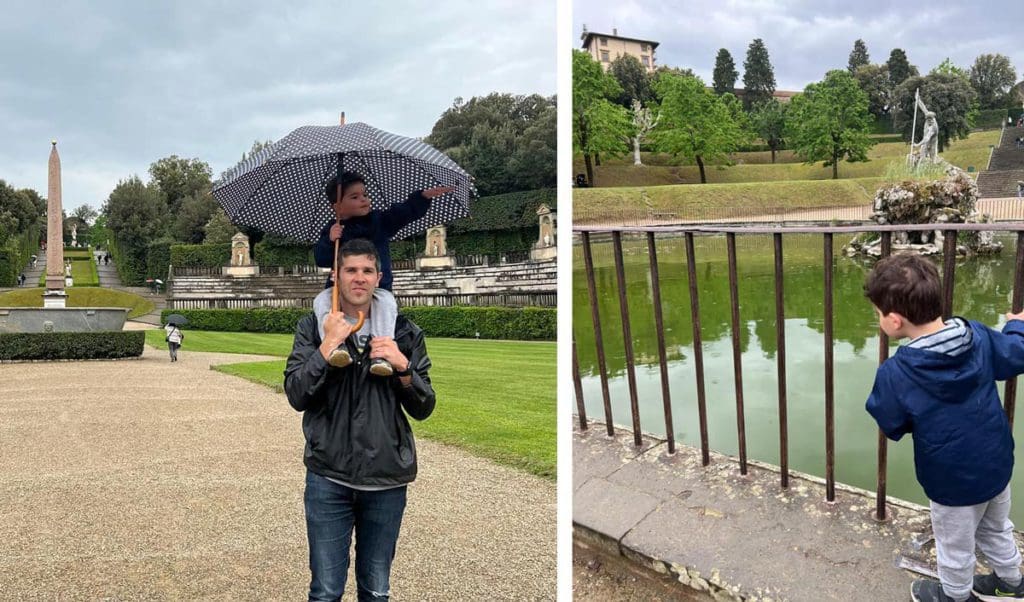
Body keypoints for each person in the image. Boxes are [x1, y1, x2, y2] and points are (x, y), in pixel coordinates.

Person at [863, 254, 1024, 602]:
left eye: (877, 314)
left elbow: (891, 422)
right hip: (996, 465)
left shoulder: (897, 373)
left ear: (893, 321)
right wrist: (1017, 325)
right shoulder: (978, 336)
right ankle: (1011, 584)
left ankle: (954, 596)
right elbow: (1016, 353)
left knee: (955, 547)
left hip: (951, 482)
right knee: (997, 528)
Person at [285, 238, 436, 601]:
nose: (359, 278)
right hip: (328, 474)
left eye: (367, 270)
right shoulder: (312, 328)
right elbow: (296, 394)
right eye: (350, 270)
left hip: (385, 477)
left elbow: (424, 406)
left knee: (376, 590)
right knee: (325, 591)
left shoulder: (403, 332)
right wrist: (325, 348)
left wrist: (403, 367)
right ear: (336, 276)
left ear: (379, 277)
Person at [313, 171, 452, 375]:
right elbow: (322, 259)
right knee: (321, 300)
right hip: (340, 292)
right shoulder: (333, 229)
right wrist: (329, 239)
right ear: (337, 207)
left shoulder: (379, 221)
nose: (364, 199)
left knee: (387, 304)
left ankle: (381, 353)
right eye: (355, 196)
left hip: (379, 288)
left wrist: (421, 197)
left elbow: (402, 213)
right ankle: (334, 344)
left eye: (365, 195)